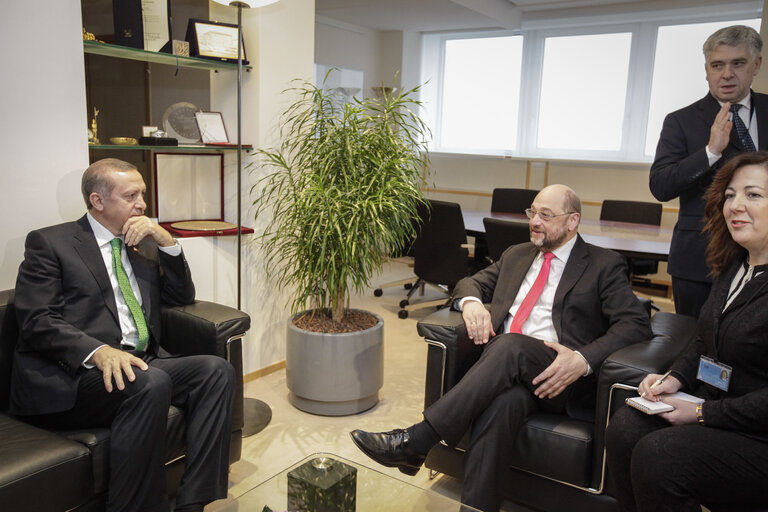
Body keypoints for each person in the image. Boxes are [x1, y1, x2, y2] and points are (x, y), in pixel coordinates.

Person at [350, 184, 652, 512]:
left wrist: (582, 360)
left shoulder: (603, 264)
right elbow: (471, 282)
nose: (535, 221)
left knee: (509, 345)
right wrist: (472, 304)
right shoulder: (517, 254)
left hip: (557, 376)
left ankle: (418, 439)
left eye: (546, 215)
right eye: (532, 212)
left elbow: (634, 323)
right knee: (502, 405)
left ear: (572, 221)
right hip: (506, 372)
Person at [10, 158, 235, 512]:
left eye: (142, 194)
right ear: (98, 201)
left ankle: (194, 502)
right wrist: (97, 350)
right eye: (131, 195)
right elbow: (36, 320)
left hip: (140, 361)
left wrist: (166, 241)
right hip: (77, 375)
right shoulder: (51, 244)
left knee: (216, 371)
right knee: (150, 383)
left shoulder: (140, 242)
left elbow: (181, 297)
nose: (142, 204)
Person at [606, 151, 768, 511]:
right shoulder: (734, 266)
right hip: (721, 410)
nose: (736, 205)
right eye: (730, 195)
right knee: (625, 428)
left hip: (757, 433)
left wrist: (700, 415)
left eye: (753, 195)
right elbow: (704, 339)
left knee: (660, 455)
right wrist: (675, 376)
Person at [650, 24, 767, 319]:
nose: (726, 74)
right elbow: (661, 185)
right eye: (718, 65)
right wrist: (710, 152)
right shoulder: (680, 121)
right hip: (699, 261)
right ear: (706, 70)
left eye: (737, 63)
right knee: (694, 348)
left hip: (764, 257)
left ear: (756, 64)